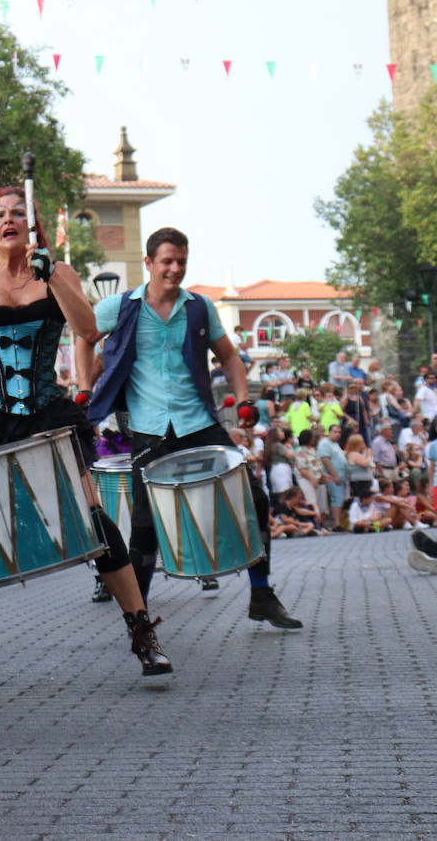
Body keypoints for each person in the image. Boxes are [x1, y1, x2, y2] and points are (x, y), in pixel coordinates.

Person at [0, 185, 169, 693]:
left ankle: (143, 634)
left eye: (18, 214)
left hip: (44, 410)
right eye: (0, 215)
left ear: (31, 227)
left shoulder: (57, 274)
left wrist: (52, 272)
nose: (9, 220)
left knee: (93, 518)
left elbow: (86, 331)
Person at [84, 227, 301, 629]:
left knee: (254, 500)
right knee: (146, 527)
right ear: (148, 263)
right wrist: (83, 387)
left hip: (198, 422)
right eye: (167, 261)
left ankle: (261, 595)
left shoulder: (199, 307)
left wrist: (245, 398)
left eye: (181, 261)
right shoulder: (121, 306)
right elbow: (84, 337)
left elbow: (230, 358)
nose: (175, 269)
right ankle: (139, 616)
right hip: (150, 429)